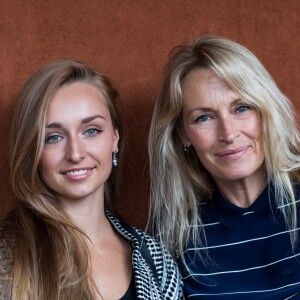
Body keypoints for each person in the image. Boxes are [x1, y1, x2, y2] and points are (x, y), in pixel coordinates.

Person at [0, 60, 182, 300]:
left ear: (115, 138)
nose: (75, 154)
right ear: (32, 149)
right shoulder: (6, 255)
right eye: (53, 137)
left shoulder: (156, 260)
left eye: (91, 131)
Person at [148, 35, 300, 299]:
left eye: (242, 108)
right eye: (203, 117)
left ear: (266, 112)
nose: (228, 133)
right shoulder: (174, 235)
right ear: (184, 134)